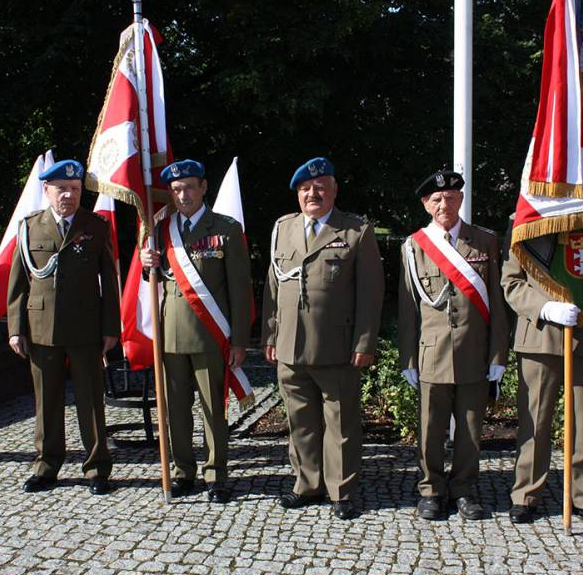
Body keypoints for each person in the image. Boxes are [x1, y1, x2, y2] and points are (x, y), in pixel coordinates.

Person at [261, 156, 384, 519]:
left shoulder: (355, 231)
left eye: (319, 187)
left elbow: (370, 294)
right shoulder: (283, 228)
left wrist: (364, 342)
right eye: (305, 189)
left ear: (334, 190)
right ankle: (307, 484)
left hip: (337, 348)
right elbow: (272, 287)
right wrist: (270, 334)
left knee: (340, 423)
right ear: (297, 194)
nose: (312, 194)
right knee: (300, 421)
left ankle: (341, 491)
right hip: (289, 346)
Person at [398, 169, 509, 521]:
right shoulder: (414, 246)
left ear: (460, 199)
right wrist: (408, 359)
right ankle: (431, 490)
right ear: (425, 204)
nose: (443, 204)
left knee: (470, 429)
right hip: (431, 354)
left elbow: (498, 302)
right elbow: (408, 308)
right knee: (430, 430)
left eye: (450, 197)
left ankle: (463, 489)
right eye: (436, 199)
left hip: (475, 353)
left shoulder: (485, 241)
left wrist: (498, 354)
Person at [139, 159, 252, 503]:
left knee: (213, 408)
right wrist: (146, 265)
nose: (183, 195)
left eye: (189, 187)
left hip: (209, 335)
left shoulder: (226, 229)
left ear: (203, 187)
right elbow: (156, 280)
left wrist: (240, 341)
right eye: (176, 189)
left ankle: (216, 475)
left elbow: (240, 290)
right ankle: (182, 471)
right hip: (171, 334)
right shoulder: (161, 229)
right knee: (175, 409)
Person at [7, 159, 120, 495]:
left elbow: (109, 281)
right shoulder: (29, 227)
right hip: (41, 327)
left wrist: (110, 328)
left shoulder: (96, 226)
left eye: (74, 189)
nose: (68, 195)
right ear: (47, 190)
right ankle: (46, 465)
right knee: (47, 402)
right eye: (61, 189)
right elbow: (18, 284)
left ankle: (97, 468)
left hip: (86, 326)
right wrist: (16, 329)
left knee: (91, 401)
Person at [501, 228, 583, 528]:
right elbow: (511, 282)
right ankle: (526, 494)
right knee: (534, 421)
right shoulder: (525, 221)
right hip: (538, 335)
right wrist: (545, 308)